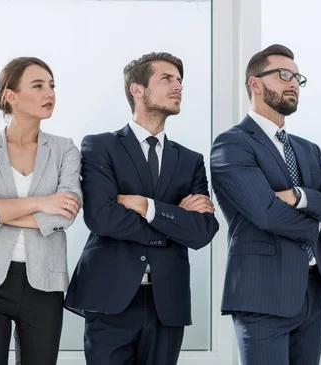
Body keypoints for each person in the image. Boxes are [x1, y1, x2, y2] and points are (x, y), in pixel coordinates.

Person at [64, 52, 219, 365]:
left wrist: (144, 205)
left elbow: (202, 232)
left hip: (168, 304)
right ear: (137, 89)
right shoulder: (100, 146)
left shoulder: (190, 161)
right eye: (167, 79)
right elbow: (102, 217)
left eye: (180, 81)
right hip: (109, 297)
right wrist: (173, 219)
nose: (178, 87)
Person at [210, 44, 321, 365]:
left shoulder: (309, 150)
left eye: (298, 78)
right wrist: (315, 222)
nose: (293, 83)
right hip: (262, 295)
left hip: (312, 292)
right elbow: (265, 214)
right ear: (255, 83)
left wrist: (299, 196)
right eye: (284, 75)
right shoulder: (232, 144)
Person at [0, 56, 82, 365]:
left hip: (45, 285)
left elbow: (64, 214)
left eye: (52, 86)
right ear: (10, 96)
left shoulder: (65, 149)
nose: (49, 93)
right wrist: (41, 201)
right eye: (38, 86)